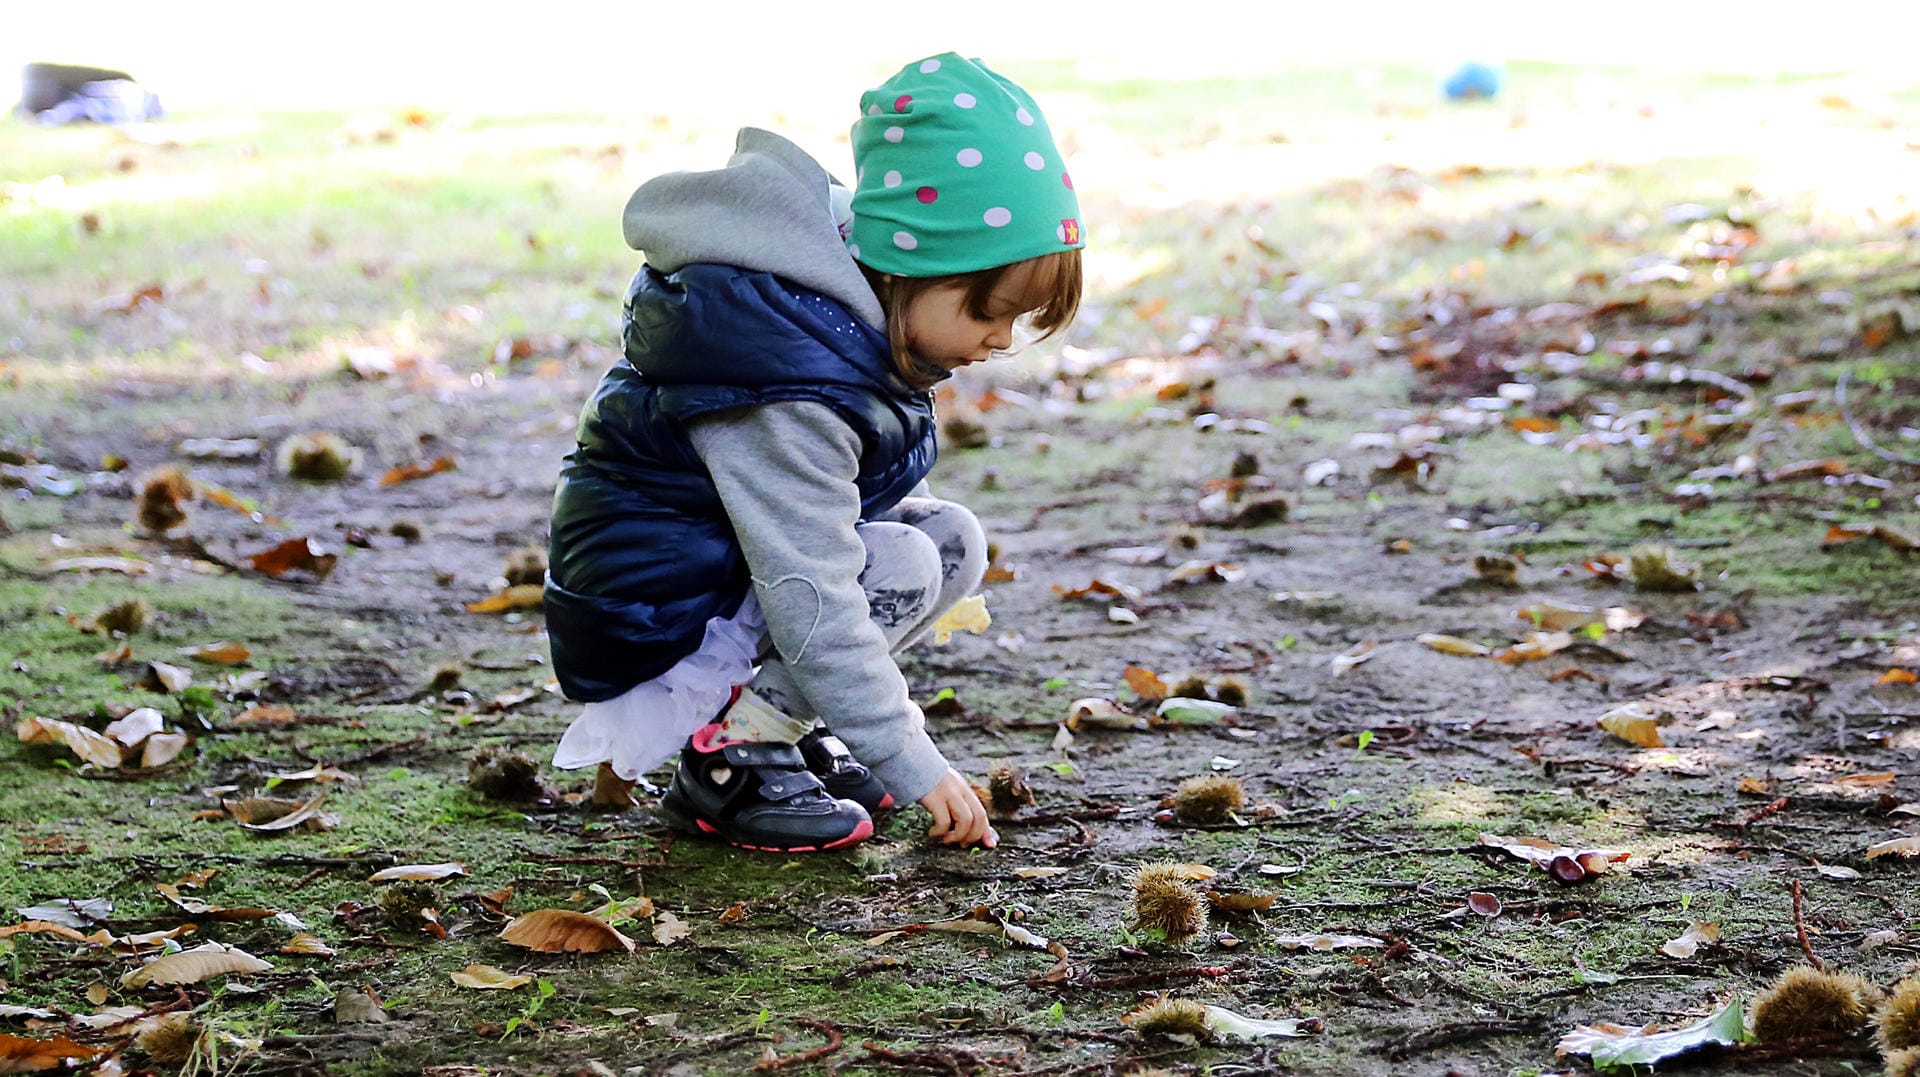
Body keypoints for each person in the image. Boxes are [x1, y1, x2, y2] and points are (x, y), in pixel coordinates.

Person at [543, 53, 1084, 854]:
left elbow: (858, 501)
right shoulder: (785, 383)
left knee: (950, 540)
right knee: (903, 562)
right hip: (654, 611)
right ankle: (730, 754)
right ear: (913, 262)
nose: (999, 340)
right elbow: (813, 588)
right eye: (986, 309)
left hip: (722, 573)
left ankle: (777, 724)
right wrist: (911, 758)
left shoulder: (843, 306)